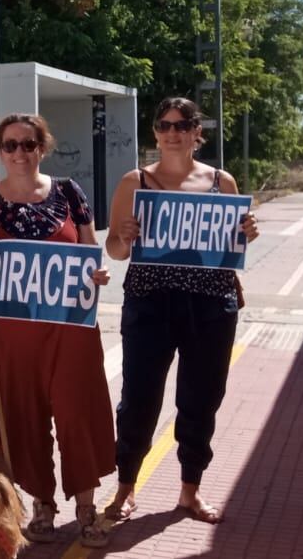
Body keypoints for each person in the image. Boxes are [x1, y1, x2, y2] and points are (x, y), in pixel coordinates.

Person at [102, 97, 260, 527]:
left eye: (182, 125)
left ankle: (190, 489)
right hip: (150, 302)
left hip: (210, 305)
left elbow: (234, 241)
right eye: (165, 124)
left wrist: (247, 231)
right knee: (139, 398)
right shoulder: (134, 182)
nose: (173, 132)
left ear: (196, 133)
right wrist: (125, 237)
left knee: (202, 398)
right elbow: (114, 250)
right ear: (155, 132)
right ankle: (126, 487)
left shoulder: (221, 182)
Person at [0, 113, 114, 548]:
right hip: (14, 332)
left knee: (77, 411)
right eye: (10, 145)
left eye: (28, 144)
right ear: (0, 151)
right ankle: (42, 504)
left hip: (70, 327)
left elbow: (90, 252)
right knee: (22, 414)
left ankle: (86, 507)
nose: (19, 153)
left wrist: (98, 273)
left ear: (42, 148)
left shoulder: (69, 192)